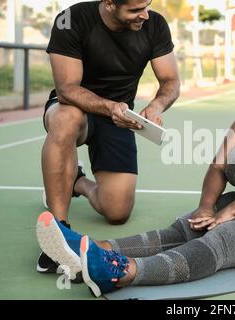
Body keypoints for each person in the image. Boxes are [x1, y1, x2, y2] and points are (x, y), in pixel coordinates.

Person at [36, 36, 235, 297]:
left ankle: (123, 272)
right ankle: (94, 249)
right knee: (187, 226)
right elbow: (218, 168)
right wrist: (207, 207)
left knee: (223, 238)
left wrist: (232, 210)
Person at [37, 0, 180, 279]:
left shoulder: (155, 24)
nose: (145, 14)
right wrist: (109, 106)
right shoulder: (71, 19)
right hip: (72, 108)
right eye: (136, 9)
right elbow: (67, 89)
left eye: (147, 5)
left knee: (117, 212)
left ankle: (75, 180)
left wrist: (157, 106)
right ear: (110, 4)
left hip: (119, 115)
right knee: (66, 120)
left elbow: (170, 81)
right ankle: (58, 231)